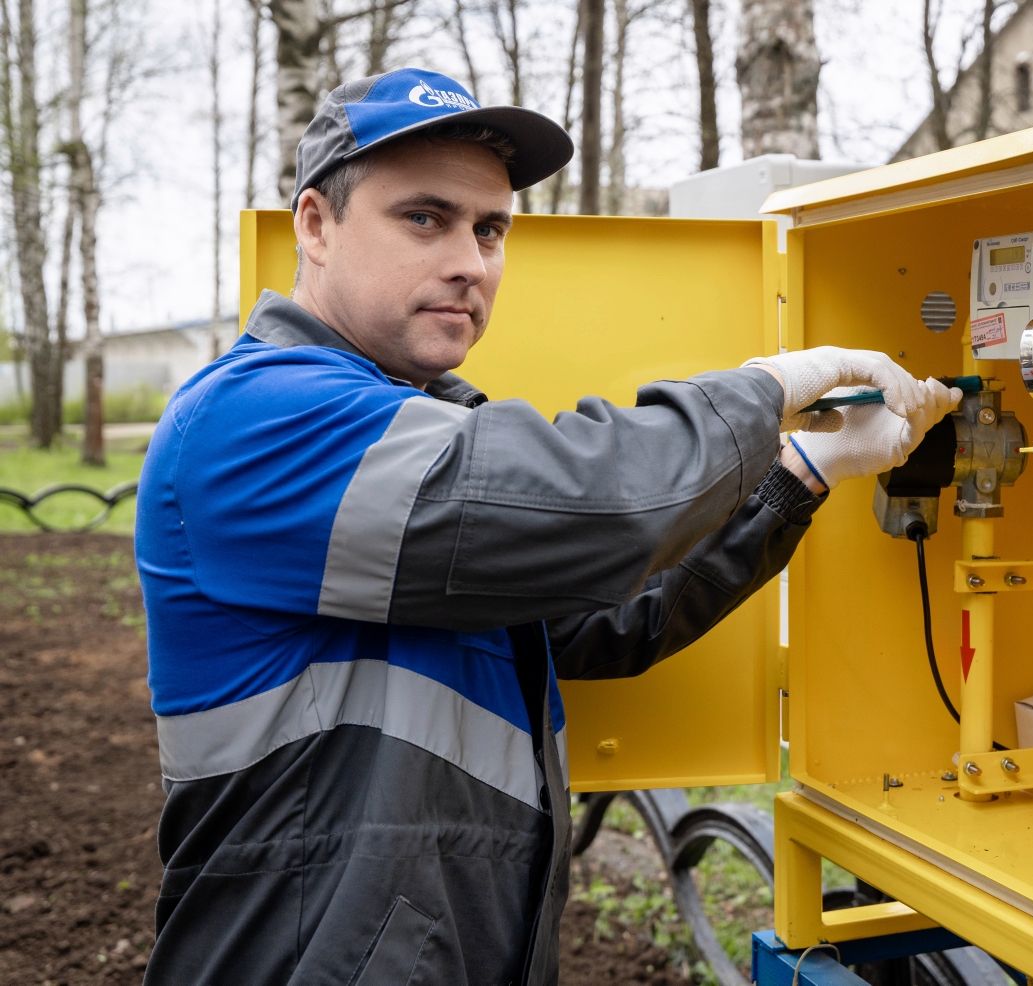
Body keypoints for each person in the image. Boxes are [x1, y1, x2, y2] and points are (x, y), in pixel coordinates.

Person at [135, 68, 959, 985]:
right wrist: (771, 387)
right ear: (316, 225)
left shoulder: (416, 429)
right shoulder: (257, 419)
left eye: (490, 229)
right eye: (424, 218)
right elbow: (598, 506)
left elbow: (606, 621)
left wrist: (803, 474)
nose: (470, 262)